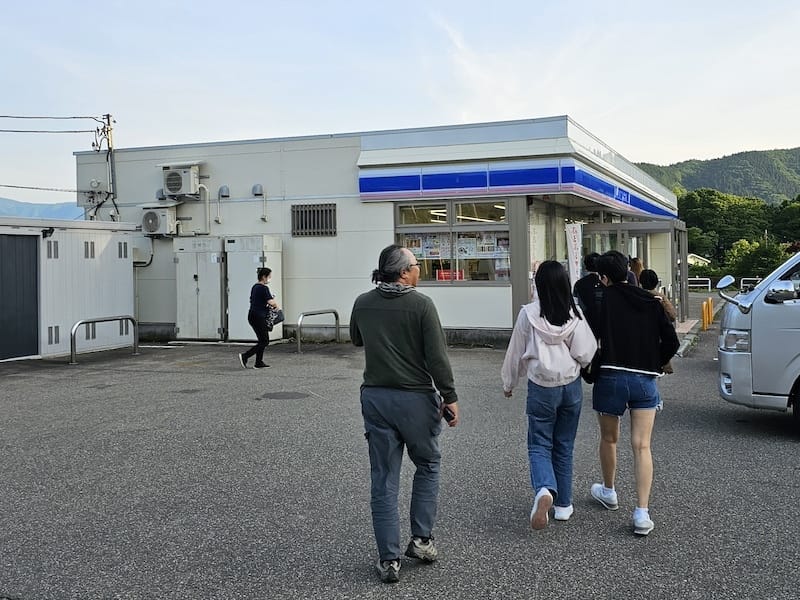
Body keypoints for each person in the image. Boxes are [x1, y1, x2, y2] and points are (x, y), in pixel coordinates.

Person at [350, 244, 459, 584]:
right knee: (427, 463)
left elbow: (356, 339)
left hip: (377, 398)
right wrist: (450, 397)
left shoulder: (362, 303)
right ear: (403, 272)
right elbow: (436, 358)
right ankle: (422, 540)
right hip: (415, 399)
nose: (419, 269)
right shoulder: (422, 305)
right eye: (415, 264)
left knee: (383, 477)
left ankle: (388, 560)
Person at [588, 251, 679, 536]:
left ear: (603, 277)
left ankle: (609, 491)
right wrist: (656, 362)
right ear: (628, 270)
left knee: (609, 438)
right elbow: (672, 341)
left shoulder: (600, 301)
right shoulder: (651, 301)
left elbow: (589, 341)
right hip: (644, 380)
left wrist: (589, 370)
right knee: (642, 446)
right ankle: (642, 513)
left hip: (611, 376)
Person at [501, 261, 597, 530]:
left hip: (541, 386)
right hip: (570, 386)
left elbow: (515, 352)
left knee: (539, 443)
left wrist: (509, 383)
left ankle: (544, 489)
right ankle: (564, 505)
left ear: (538, 285)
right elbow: (586, 351)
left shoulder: (528, 315)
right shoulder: (574, 312)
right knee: (564, 444)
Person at [639, 269, 677, 377]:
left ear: (640, 281)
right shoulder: (660, 296)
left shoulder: (637, 295)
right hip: (656, 335)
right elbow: (672, 315)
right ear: (656, 282)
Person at [238, 267, 278, 369]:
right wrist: (277, 306)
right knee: (264, 341)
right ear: (264, 277)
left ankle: (259, 362)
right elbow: (271, 302)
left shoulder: (255, 287)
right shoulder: (264, 288)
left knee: (262, 340)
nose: (270, 279)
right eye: (269, 277)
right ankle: (245, 356)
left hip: (253, 315)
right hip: (258, 317)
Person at [572, 252, 602, 334]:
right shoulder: (604, 283)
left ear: (585, 266)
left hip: (584, 323)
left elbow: (575, 304)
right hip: (603, 323)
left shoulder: (578, 284)